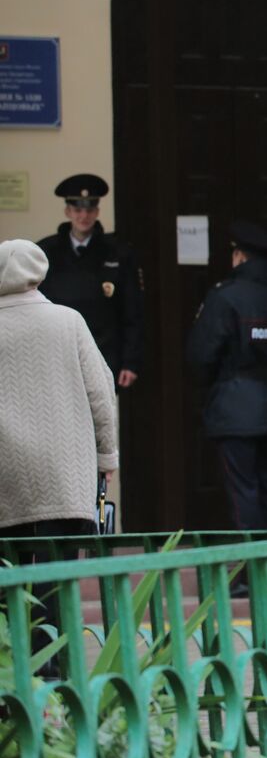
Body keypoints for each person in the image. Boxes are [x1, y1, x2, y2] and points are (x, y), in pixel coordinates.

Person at [0, 239, 117, 663]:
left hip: (5, 480)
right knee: (57, 584)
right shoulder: (69, 321)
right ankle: (56, 685)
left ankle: (12, 683)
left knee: (6, 586)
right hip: (64, 479)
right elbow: (102, 396)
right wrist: (107, 461)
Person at [186, 220, 267, 597]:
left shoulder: (226, 296)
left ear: (238, 255)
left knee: (244, 491)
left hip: (236, 404)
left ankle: (251, 573)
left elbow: (201, 353)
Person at [36, 173, 144, 389]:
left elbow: (132, 311)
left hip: (103, 354)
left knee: (99, 418)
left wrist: (130, 362)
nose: (83, 216)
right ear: (68, 211)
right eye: (77, 210)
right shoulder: (46, 251)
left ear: (97, 212)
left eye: (89, 209)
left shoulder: (118, 253)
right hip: (58, 354)